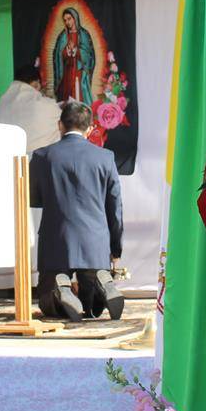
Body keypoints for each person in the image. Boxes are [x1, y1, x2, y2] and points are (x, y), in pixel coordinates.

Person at [29, 102, 123, 321]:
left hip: (56, 242)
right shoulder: (105, 157)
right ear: (90, 129)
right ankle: (102, 283)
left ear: (60, 125)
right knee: (93, 311)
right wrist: (115, 249)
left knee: (49, 306)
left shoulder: (42, 156)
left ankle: (60, 288)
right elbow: (115, 206)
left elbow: (33, 198)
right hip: (95, 244)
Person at [0, 64, 62, 155]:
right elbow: (62, 121)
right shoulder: (46, 105)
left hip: (5, 158)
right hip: (36, 161)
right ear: (36, 84)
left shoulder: (3, 101)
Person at [52, 7, 95, 105]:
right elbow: (58, 55)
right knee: (66, 97)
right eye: (65, 20)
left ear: (75, 18)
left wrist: (76, 50)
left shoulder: (83, 34)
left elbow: (89, 55)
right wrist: (67, 51)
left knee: (78, 97)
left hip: (79, 72)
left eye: (69, 18)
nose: (67, 22)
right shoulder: (63, 36)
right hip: (66, 72)